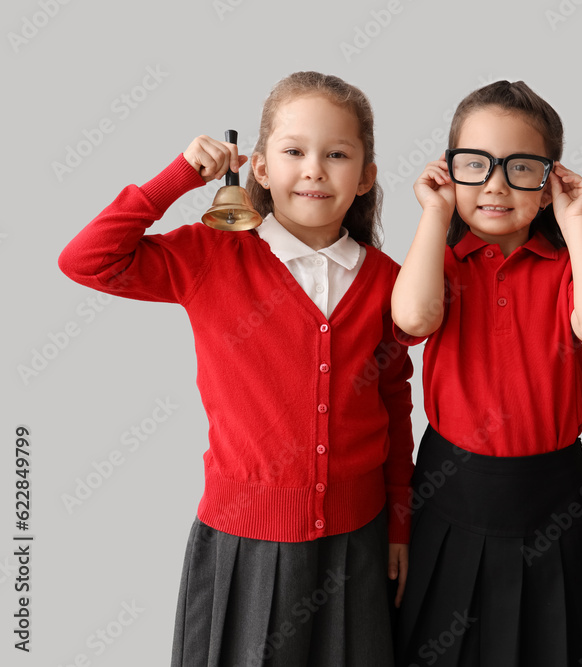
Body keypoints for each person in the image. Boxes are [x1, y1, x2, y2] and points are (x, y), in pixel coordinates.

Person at [58, 71, 414, 667]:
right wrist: (175, 178)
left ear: (366, 176)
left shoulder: (387, 281)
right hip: (243, 541)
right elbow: (87, 260)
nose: (314, 170)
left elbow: (397, 402)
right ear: (263, 169)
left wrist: (399, 520)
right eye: (294, 151)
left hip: (359, 537)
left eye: (338, 154)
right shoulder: (211, 255)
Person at [392, 80, 582, 666]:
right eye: (475, 165)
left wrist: (577, 222)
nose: (496, 184)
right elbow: (415, 318)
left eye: (521, 167)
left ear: (549, 183)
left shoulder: (567, 264)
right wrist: (434, 214)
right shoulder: (440, 260)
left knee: (559, 645)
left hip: (555, 496)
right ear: (448, 173)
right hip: (451, 492)